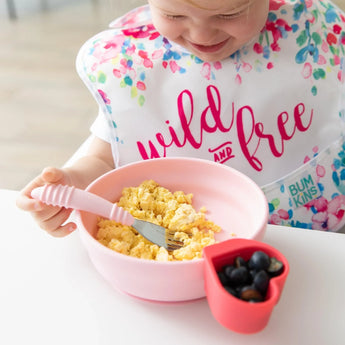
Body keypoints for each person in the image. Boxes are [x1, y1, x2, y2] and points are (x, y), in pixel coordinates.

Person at [16, 0, 345, 235]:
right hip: (179, 255)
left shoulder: (312, 38)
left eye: (229, 13)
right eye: (172, 13)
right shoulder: (137, 69)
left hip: (312, 242)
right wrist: (75, 182)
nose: (202, 35)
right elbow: (106, 158)